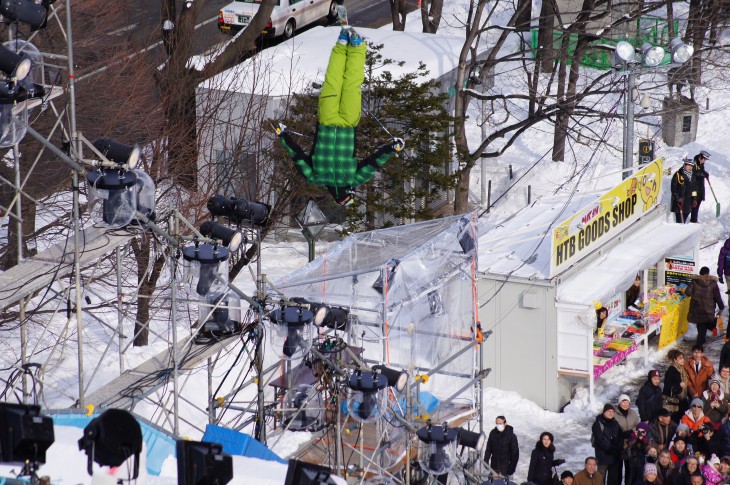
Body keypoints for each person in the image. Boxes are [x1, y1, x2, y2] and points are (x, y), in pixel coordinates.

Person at [277, 28, 403, 206]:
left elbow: (297, 156)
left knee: (333, 81)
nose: (349, 196)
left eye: (347, 199)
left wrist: (283, 136)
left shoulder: (316, 178)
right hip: (347, 123)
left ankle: (342, 43)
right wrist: (392, 148)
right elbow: (374, 163)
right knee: (351, 85)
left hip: (327, 121)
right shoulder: (354, 179)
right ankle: (357, 47)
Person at [685, 267, 724, 347]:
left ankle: (701, 340)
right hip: (708, 309)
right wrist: (721, 306)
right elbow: (717, 297)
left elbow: (688, 292)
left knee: (700, 324)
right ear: (708, 273)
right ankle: (700, 343)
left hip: (696, 307)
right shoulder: (713, 283)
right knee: (703, 324)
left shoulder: (694, 281)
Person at [592, 403, 623, 485]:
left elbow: (620, 436)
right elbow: (600, 440)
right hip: (603, 456)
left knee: (613, 479)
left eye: (612, 411)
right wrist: (612, 448)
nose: (611, 413)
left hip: (614, 456)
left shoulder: (615, 423)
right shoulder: (597, 424)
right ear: (604, 412)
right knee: (600, 478)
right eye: (609, 411)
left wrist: (619, 447)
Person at [616, 394, 641, 484]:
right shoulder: (615, 414)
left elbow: (637, 425)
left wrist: (631, 432)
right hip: (619, 444)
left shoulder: (633, 413)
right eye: (623, 402)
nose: (625, 404)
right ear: (620, 403)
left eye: (627, 402)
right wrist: (621, 433)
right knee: (618, 468)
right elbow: (614, 427)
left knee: (629, 468)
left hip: (630, 443)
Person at [664, 350, 690, 422]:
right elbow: (667, 387)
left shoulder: (681, 369)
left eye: (683, 358)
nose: (683, 360)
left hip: (682, 400)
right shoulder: (671, 371)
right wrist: (679, 385)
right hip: (674, 402)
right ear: (675, 360)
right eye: (680, 358)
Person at [670, 159, 695, 224]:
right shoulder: (678, 175)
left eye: (692, 166)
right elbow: (673, 188)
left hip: (688, 202)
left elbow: (694, 189)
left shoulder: (692, 176)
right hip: (680, 202)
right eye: (689, 166)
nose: (690, 168)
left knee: (684, 219)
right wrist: (677, 198)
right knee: (679, 222)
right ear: (684, 165)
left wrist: (694, 198)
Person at [690, 150, 710, 223]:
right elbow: (695, 173)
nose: (704, 161)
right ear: (700, 157)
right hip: (694, 188)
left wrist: (705, 173)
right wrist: (703, 174)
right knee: (694, 202)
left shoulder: (701, 164)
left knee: (698, 202)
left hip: (699, 187)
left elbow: (701, 172)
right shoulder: (693, 163)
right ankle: (692, 220)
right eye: (704, 159)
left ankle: (694, 219)